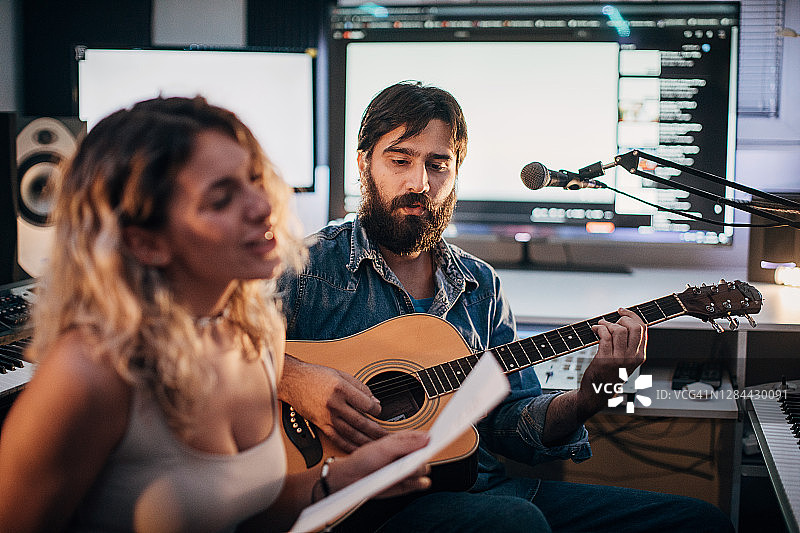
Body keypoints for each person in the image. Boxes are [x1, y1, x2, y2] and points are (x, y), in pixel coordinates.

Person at [276, 81, 735, 532]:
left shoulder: (480, 286)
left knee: (700, 521)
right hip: (363, 506)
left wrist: (588, 397)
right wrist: (292, 376)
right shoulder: (307, 265)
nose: (420, 182)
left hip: (477, 486)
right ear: (363, 163)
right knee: (515, 522)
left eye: (438, 165)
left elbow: (511, 423)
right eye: (400, 160)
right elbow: (208, 351)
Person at [0, 96, 432, 533]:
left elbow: (245, 511)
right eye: (222, 199)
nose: (262, 206)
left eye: (253, 179)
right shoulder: (89, 374)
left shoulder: (256, 335)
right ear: (146, 242)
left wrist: (342, 479)